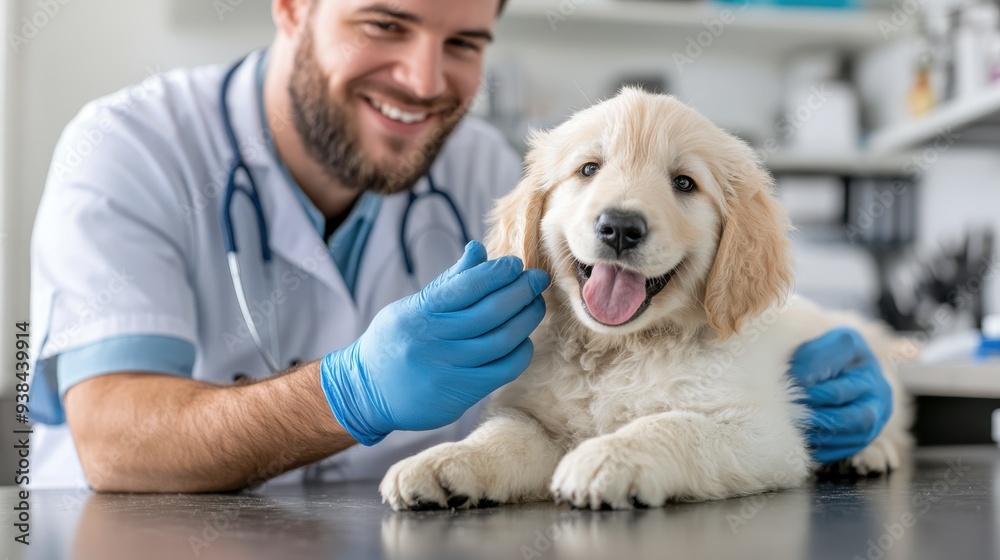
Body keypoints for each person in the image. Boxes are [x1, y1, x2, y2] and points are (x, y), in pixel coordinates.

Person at [27, 0, 892, 492]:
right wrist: (349, 394)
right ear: (292, 7)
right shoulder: (129, 148)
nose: (423, 80)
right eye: (384, 24)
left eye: (463, 42)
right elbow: (113, 442)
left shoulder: (484, 165)